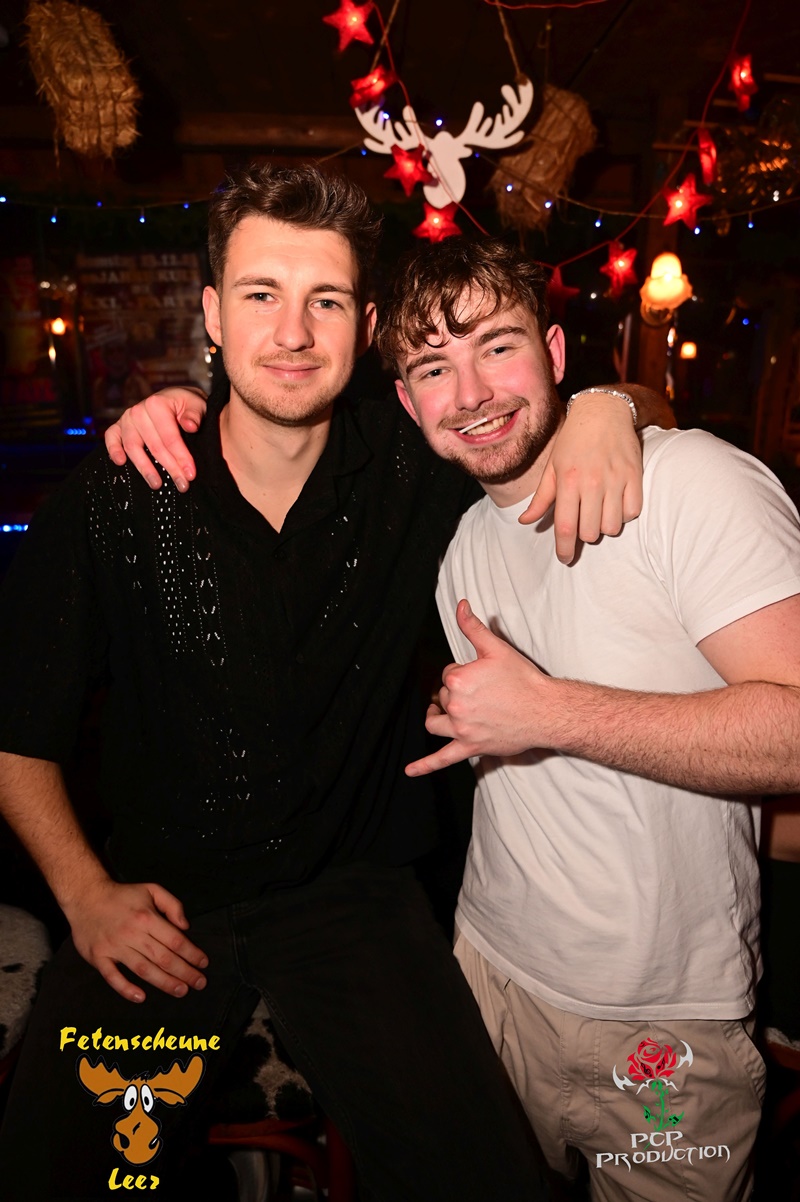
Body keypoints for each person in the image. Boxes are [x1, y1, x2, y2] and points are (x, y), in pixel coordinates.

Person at [0, 163, 656, 1201]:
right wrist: (84, 895)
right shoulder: (122, 493)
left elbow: (557, 408)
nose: (293, 332)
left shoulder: (417, 457)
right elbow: (16, 727)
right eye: (261, 294)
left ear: (366, 325)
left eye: (328, 301)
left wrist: (609, 406)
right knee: (61, 1182)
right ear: (213, 313)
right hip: (159, 904)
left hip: (354, 898)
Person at [372, 235, 800, 1202]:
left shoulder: (692, 486)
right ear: (407, 401)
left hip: (668, 1020)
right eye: (433, 368)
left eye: (497, 346)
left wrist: (550, 713)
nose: (471, 392)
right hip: (491, 979)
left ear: (557, 352)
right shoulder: (461, 548)